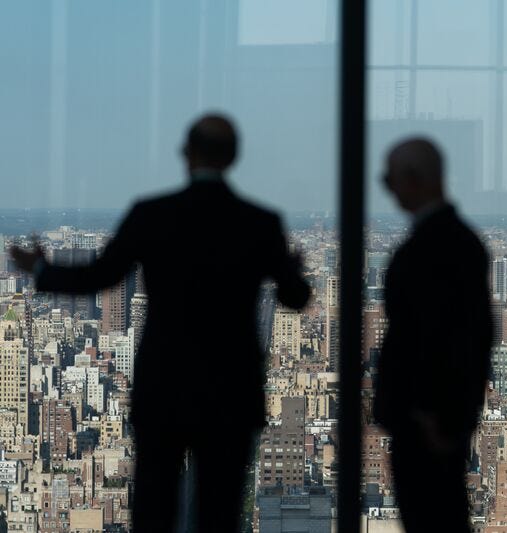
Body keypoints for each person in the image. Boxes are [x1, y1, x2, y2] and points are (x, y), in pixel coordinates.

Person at [10, 114, 310, 533]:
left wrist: (40, 270)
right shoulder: (260, 223)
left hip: (165, 389)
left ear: (186, 155)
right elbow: (296, 298)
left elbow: (97, 277)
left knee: (155, 510)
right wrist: (291, 270)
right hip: (231, 393)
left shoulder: (152, 215)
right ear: (235, 157)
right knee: (219, 514)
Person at [374, 138, 492, 533]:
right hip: (433, 420)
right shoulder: (456, 242)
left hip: (426, 422)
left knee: (433, 518)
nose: (388, 189)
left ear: (414, 179)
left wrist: (434, 417)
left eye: (389, 180)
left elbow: (450, 340)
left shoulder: (435, 247)